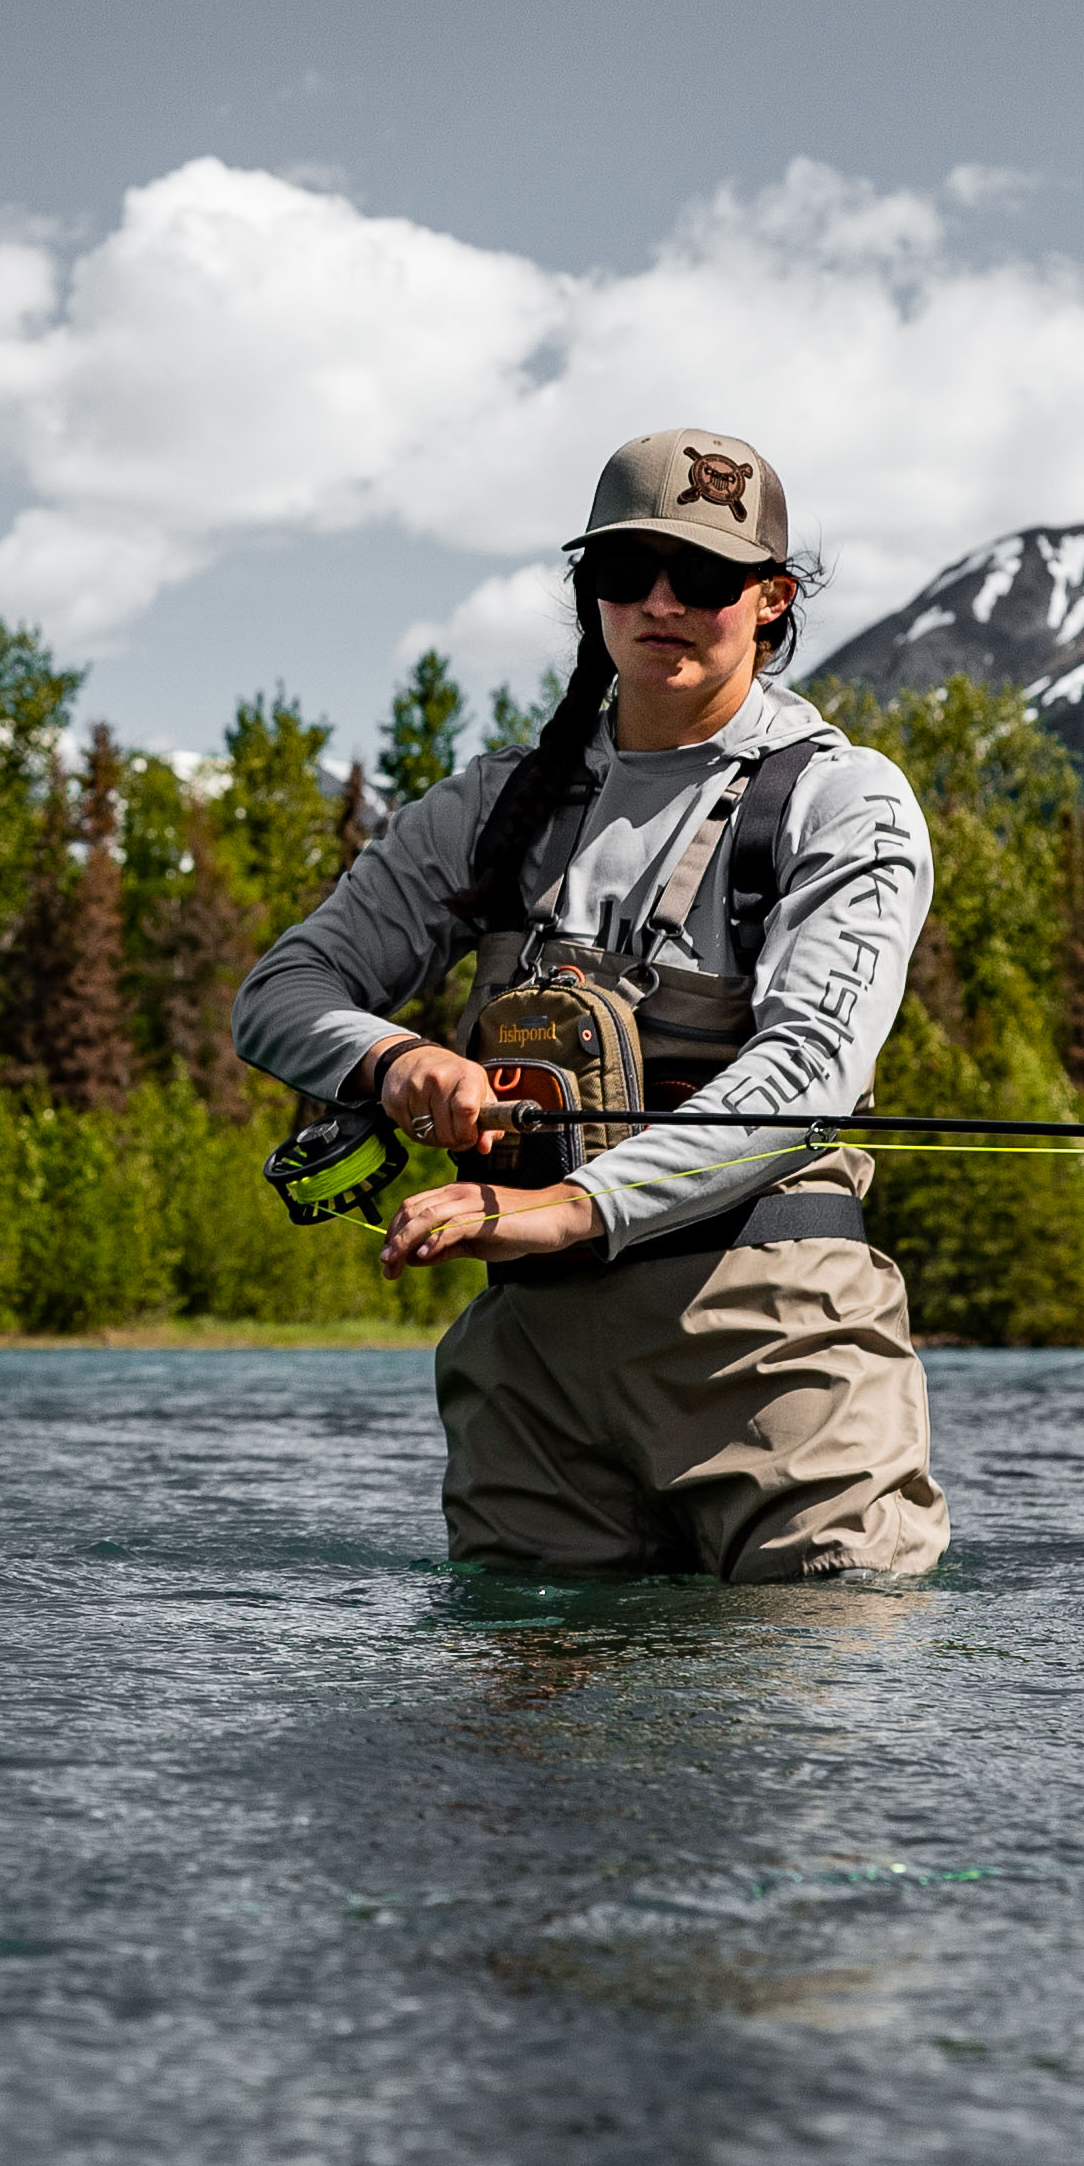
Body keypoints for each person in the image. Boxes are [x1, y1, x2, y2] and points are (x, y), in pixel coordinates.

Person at [232, 427, 947, 1581]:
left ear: (771, 600)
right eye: (628, 571)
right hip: (534, 1390)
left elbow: (810, 1064)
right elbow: (280, 993)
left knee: (801, 1747)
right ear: (591, 593)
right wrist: (392, 1062)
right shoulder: (495, 804)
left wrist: (574, 1205)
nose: (662, 601)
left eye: (705, 577)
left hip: (780, 1364)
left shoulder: (842, 799)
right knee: (515, 1759)